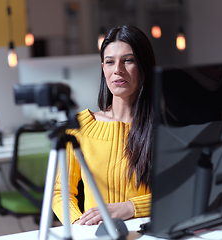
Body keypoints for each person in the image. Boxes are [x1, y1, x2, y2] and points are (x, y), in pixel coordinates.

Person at [52, 25, 156, 225]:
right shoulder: (79, 126)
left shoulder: (164, 126)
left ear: (144, 66)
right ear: (103, 69)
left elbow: (181, 190)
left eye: (128, 60)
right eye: (110, 62)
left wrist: (130, 207)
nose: (118, 69)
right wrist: (78, 226)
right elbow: (60, 192)